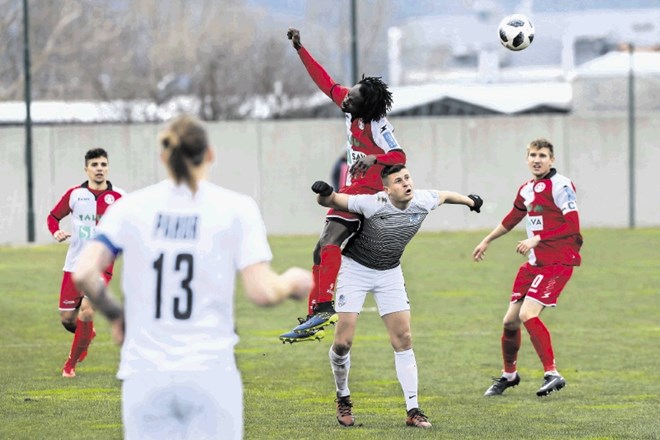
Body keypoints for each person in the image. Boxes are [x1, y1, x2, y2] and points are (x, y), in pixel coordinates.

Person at [72, 115, 312, 440]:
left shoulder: (131, 208)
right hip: (210, 374)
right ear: (210, 154)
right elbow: (262, 292)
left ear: (163, 158)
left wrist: (116, 315)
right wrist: (292, 282)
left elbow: (84, 271)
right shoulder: (236, 208)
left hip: (145, 375)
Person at [308, 164, 482, 428]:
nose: (406, 183)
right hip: (355, 270)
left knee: (404, 338)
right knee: (343, 342)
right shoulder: (371, 203)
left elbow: (446, 195)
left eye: (408, 178)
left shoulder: (423, 199)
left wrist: (471, 201)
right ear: (387, 189)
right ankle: (343, 397)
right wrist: (323, 192)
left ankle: (413, 409)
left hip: (389, 272)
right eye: (399, 181)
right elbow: (331, 200)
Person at [280, 27, 407, 343]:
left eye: (351, 97)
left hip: (371, 195)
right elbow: (325, 81)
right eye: (348, 93)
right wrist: (300, 49)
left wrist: (374, 160)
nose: (344, 97)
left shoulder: (378, 125)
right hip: (354, 190)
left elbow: (400, 154)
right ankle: (316, 312)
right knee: (320, 251)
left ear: (364, 106)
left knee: (330, 241)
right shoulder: (349, 107)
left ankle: (324, 308)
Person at [472, 138, 583, 397]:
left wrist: (537, 238)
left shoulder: (561, 185)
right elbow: (513, 218)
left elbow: (573, 226)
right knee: (510, 321)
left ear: (551, 159)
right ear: (527, 159)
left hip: (558, 260)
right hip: (535, 263)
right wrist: (487, 239)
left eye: (543, 155)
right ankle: (509, 375)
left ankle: (552, 373)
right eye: (533, 155)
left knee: (527, 314)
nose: (537, 159)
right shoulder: (526, 189)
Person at [47, 148, 125, 378]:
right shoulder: (74, 194)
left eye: (103, 164)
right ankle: (86, 335)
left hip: (102, 264)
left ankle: (70, 365)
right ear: (86, 169)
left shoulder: (120, 197)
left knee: (87, 310)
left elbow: (131, 223)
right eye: (94, 165)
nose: (99, 168)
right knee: (67, 319)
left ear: (107, 167)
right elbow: (53, 217)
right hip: (74, 262)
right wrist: (56, 232)